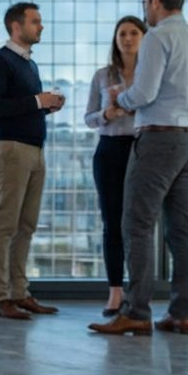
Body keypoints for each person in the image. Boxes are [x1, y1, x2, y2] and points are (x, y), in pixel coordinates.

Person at [90, 0, 188, 337]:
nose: (145, 9)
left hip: (159, 140)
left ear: (156, 1)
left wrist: (119, 99)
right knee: (181, 229)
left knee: (137, 224)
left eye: (146, 2)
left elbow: (143, 93)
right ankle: (181, 313)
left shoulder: (159, 37)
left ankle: (136, 311)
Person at [0, 2, 65, 320]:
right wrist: (36, 101)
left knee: (26, 225)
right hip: (12, 151)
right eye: (35, 22)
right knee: (5, 226)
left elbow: (21, 105)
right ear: (16, 26)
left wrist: (44, 106)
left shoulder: (29, 65)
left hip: (34, 151)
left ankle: (19, 292)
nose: (41, 27)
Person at [83, 16, 146, 316]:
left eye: (134, 33)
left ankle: (138, 293)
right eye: (122, 33)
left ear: (144, 38)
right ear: (115, 39)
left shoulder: (151, 74)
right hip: (109, 150)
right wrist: (107, 114)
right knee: (112, 222)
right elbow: (88, 118)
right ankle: (115, 292)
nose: (128, 38)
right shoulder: (102, 75)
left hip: (141, 149)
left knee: (137, 223)